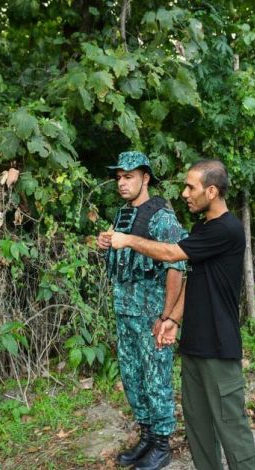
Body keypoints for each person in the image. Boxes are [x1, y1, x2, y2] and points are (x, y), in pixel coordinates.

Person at [109, 159, 255, 470]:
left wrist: (127, 240)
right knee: (199, 428)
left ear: (212, 191)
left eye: (191, 187)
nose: (184, 193)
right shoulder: (202, 227)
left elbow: (170, 253)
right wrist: (172, 320)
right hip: (194, 344)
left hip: (219, 347)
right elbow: (193, 277)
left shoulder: (226, 229)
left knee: (231, 428)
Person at [96, 151, 186, 470]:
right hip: (125, 313)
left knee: (156, 379)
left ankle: (162, 443)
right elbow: (121, 254)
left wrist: (167, 317)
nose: (122, 183)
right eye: (119, 177)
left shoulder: (161, 216)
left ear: (145, 178)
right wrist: (104, 244)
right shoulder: (122, 214)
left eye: (129, 176)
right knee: (133, 377)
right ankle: (147, 435)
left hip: (151, 315)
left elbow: (178, 264)